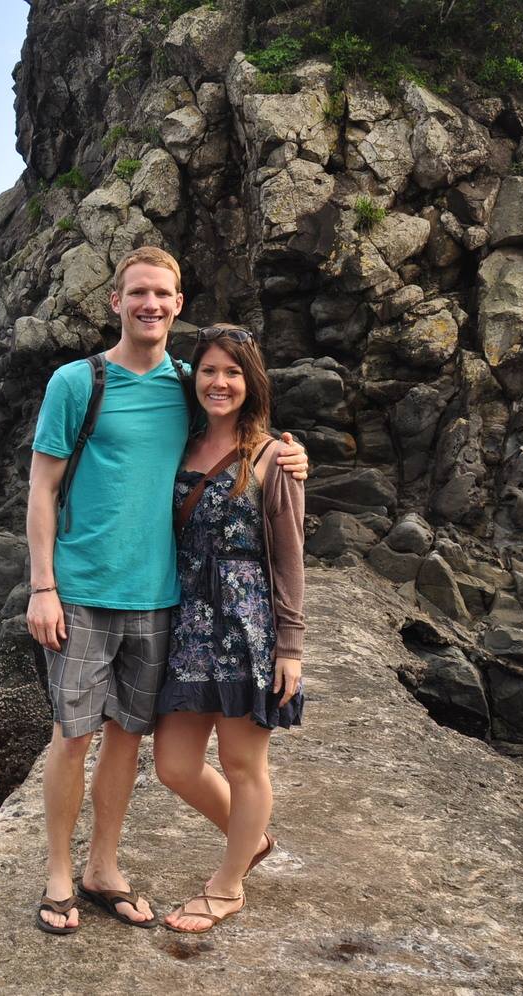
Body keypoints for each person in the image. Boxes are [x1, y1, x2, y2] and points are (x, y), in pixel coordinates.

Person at [26, 248, 308, 934]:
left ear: (179, 304)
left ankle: (105, 869)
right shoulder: (76, 382)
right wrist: (42, 585)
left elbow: (237, 425)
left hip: (160, 601)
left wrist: (291, 456)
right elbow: (41, 484)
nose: (150, 304)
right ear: (116, 301)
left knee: (126, 739)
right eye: (138, 293)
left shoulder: (186, 386)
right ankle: (60, 876)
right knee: (72, 738)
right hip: (85, 591)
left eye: (163, 294)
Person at [152, 322, 306, 934]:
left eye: (233, 372)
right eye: (210, 371)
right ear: (195, 380)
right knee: (174, 765)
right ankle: (252, 840)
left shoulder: (275, 456)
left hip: (247, 625)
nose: (220, 383)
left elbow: (290, 559)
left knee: (244, 764)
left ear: (252, 382)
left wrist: (290, 649)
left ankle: (228, 884)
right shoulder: (179, 445)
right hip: (186, 622)